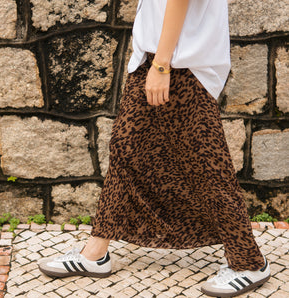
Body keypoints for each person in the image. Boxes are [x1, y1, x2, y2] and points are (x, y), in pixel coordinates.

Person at [39, 0, 271, 296]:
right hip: (153, 59)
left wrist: (162, 64)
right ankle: (95, 252)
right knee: (126, 149)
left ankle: (248, 261)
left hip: (181, 64)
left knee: (206, 164)